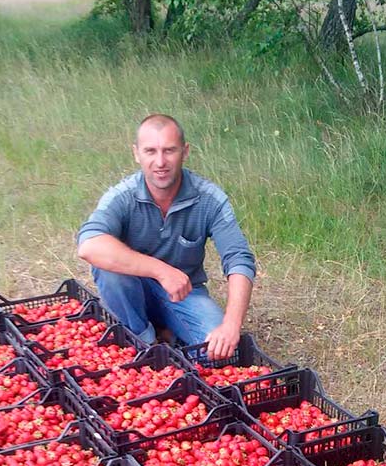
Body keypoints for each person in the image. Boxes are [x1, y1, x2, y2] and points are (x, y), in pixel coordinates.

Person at [77, 114, 256, 360]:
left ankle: (166, 331)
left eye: (169, 151)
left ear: (185, 151)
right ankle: (145, 342)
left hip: (185, 294)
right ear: (137, 153)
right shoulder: (122, 196)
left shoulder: (209, 198)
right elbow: (89, 245)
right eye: (150, 151)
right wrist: (161, 271)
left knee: (221, 355)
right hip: (133, 287)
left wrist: (231, 325)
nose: (160, 161)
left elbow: (239, 259)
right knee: (110, 269)